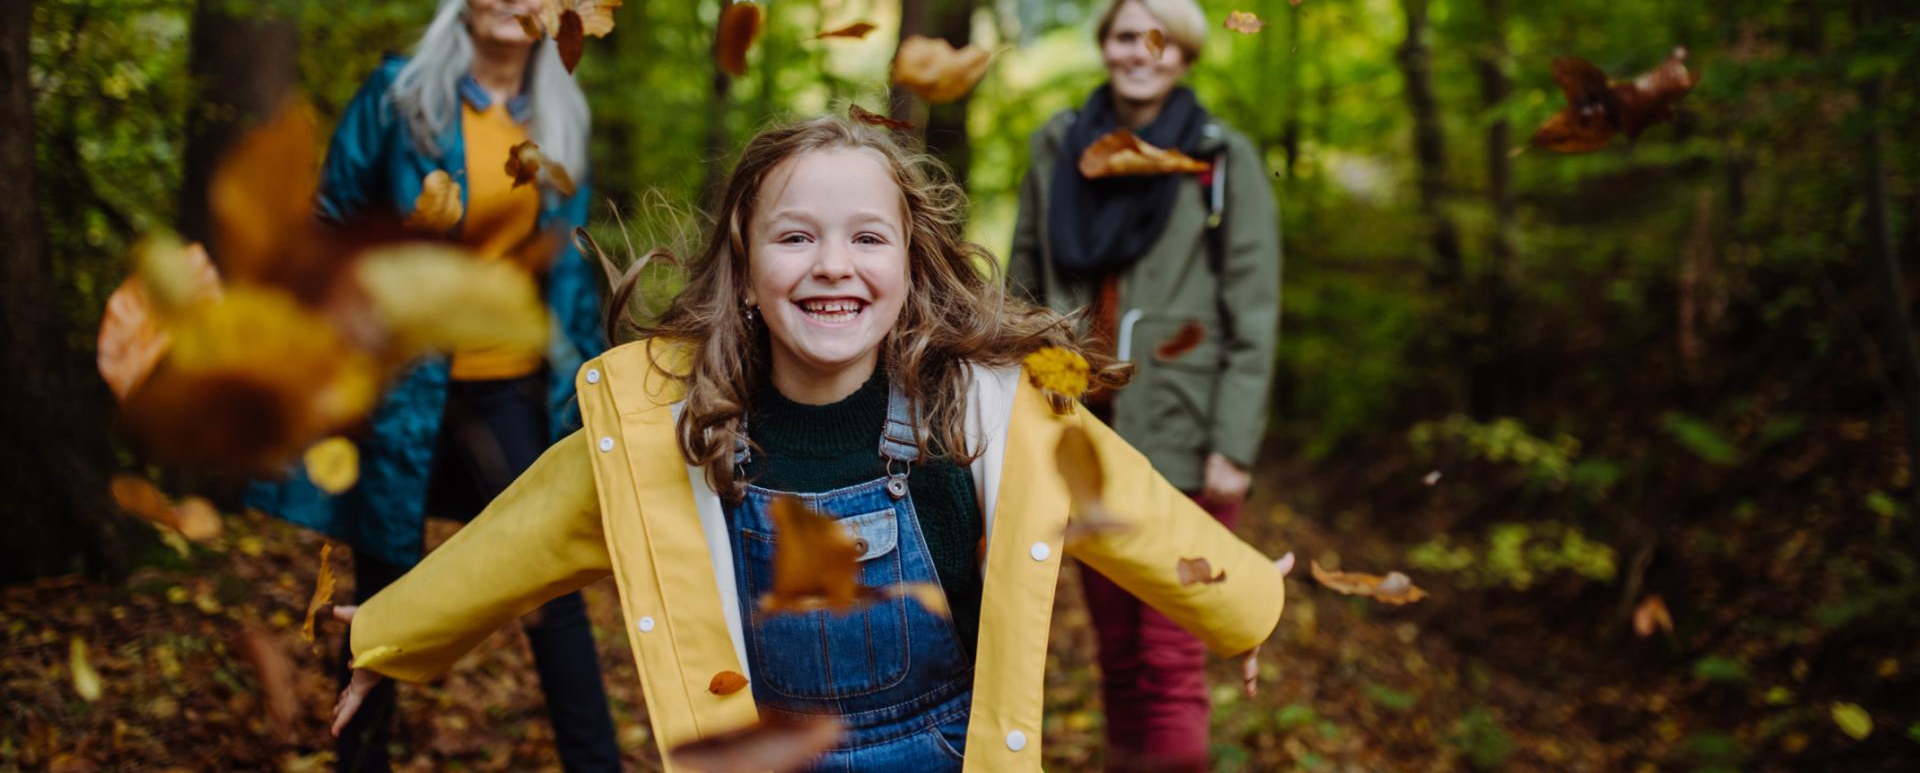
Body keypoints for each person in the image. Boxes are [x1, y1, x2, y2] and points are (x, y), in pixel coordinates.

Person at [326, 115, 1287, 771]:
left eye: (868, 239)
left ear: (911, 266)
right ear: (745, 268)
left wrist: (1246, 602)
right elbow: (521, 539)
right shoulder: (672, 432)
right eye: (796, 238)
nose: (834, 264)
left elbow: (1140, 512)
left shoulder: (988, 412)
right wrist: (387, 635)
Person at [242, 0, 619, 770]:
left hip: (512, 385)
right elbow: (334, 218)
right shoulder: (398, 94)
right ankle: (361, 759)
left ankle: (597, 764)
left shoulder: (561, 116)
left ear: (552, 0)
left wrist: (585, 379)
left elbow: (563, 270)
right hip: (403, 383)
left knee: (549, 583)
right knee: (385, 584)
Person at [1008, 0, 1282, 772]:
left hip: (1183, 429)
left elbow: (1254, 310)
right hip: (1083, 428)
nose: (1139, 52)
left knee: (1169, 655)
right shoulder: (1060, 144)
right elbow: (1026, 278)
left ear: (1184, 52)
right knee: (1118, 651)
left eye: (1157, 38)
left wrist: (1233, 444)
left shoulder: (1221, 156)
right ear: (1105, 44)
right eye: (1126, 35)